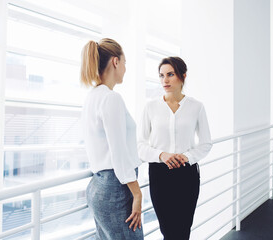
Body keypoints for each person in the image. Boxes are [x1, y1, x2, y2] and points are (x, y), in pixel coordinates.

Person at [138, 57, 212, 240]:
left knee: (183, 229)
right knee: (167, 230)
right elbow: (140, 145)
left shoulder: (197, 107)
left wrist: (187, 157)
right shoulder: (150, 107)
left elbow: (206, 143)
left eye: (170, 74)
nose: (165, 80)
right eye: (162, 75)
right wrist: (161, 155)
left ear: (183, 76)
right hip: (159, 175)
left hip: (187, 175)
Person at [81, 38, 144, 240]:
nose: (125, 69)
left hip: (99, 187)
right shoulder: (111, 98)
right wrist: (137, 193)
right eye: (125, 63)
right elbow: (119, 153)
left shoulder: (92, 97)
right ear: (115, 62)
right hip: (116, 188)